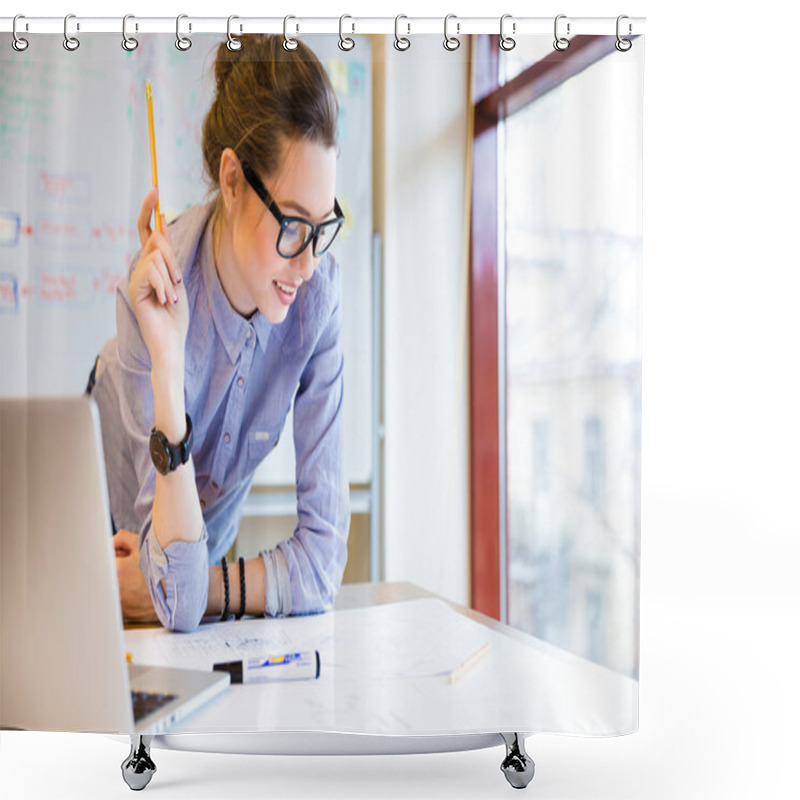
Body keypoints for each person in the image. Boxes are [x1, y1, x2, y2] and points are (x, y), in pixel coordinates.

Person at [89, 35, 350, 632]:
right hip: (106, 530)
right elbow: (166, 593)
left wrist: (204, 585)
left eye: (323, 224)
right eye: (291, 224)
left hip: (198, 558)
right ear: (232, 181)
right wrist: (167, 360)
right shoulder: (151, 299)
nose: (307, 262)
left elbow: (322, 565)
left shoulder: (317, 296)